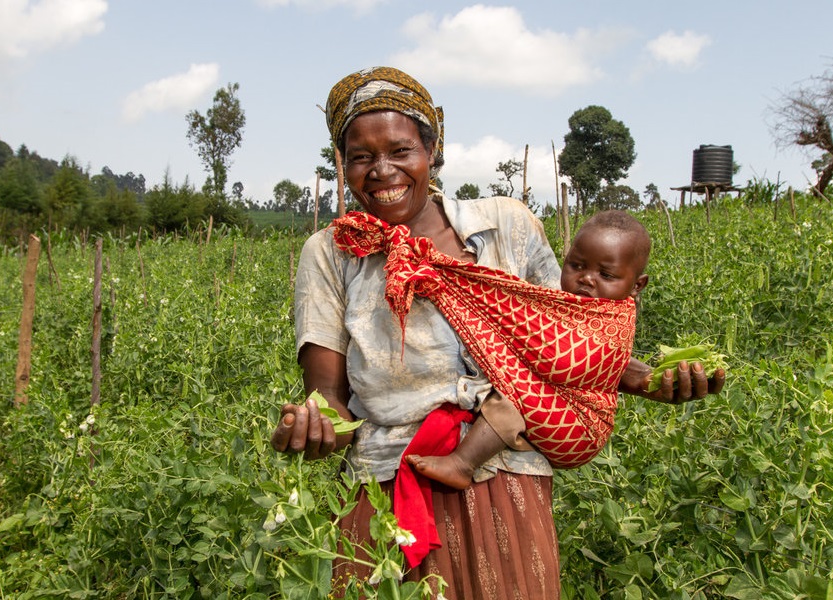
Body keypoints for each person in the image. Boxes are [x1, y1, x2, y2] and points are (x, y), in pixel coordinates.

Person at [271, 66, 724, 599]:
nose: (382, 171)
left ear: (432, 149)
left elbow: (568, 342)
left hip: (507, 475)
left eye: (400, 150)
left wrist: (652, 379)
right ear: (343, 166)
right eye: (361, 157)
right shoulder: (331, 251)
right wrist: (312, 428)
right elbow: (329, 398)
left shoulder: (506, 224)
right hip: (390, 484)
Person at [406, 209, 652, 490]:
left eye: (605, 274)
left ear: (637, 285)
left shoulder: (613, 319)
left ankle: (462, 464)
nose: (587, 279)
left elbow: (569, 360)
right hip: (561, 416)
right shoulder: (566, 305)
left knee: (512, 394)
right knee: (512, 382)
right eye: (576, 266)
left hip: (580, 427)